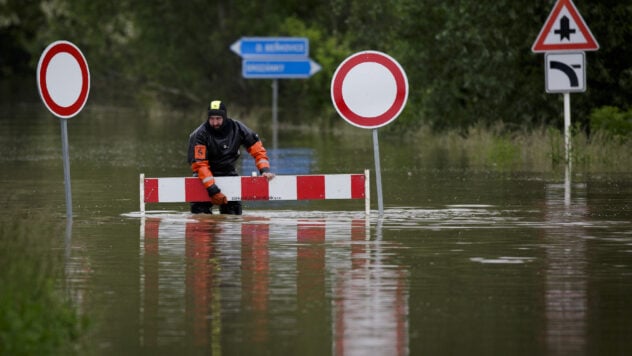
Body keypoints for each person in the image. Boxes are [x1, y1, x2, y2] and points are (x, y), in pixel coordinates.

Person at [187, 100, 275, 214]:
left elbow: (257, 149)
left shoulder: (237, 128)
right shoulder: (200, 134)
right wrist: (212, 189)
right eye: (211, 119)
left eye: (218, 119)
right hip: (202, 179)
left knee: (234, 219)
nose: (214, 123)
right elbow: (200, 164)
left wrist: (264, 170)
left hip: (229, 174)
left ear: (224, 117)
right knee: (201, 220)